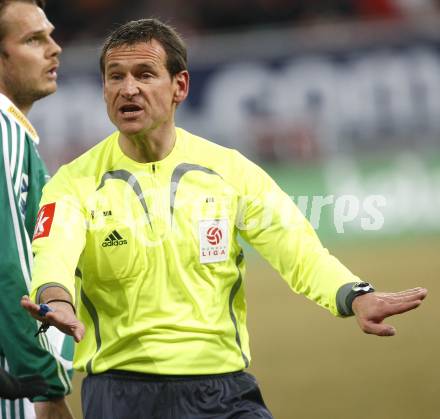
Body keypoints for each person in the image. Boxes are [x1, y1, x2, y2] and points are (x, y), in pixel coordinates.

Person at [21, 18, 427, 419]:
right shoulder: (73, 184)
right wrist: (56, 300)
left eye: (145, 74)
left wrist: (354, 295)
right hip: (121, 395)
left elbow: (300, 252)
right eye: (115, 77)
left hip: (223, 391)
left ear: (180, 85)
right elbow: (53, 255)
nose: (129, 89)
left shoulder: (230, 172)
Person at [0, 1, 74, 418]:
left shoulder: (17, 136)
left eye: (50, 34)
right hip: (14, 383)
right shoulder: (3, 131)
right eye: (33, 39)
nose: (54, 48)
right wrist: (44, 383)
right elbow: (8, 265)